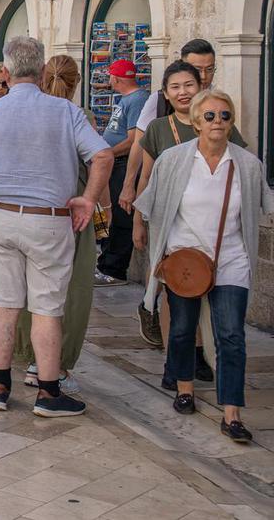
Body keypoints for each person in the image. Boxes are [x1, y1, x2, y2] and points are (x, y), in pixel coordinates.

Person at [0, 36, 112, 418]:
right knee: (46, 308)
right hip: (48, 219)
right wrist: (87, 198)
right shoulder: (65, 112)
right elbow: (102, 155)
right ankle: (49, 392)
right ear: (40, 71)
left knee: (3, 305)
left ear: (6, 71)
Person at [134, 90, 271, 443]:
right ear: (196, 122)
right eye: (209, 116)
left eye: (225, 116)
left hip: (231, 260)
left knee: (232, 336)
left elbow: (265, 203)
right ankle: (184, 389)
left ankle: (232, 413)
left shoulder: (247, 164)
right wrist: (158, 252)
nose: (218, 122)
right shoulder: (174, 160)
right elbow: (150, 205)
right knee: (181, 330)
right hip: (185, 262)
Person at [133, 60, 246, 372]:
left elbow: (241, 168)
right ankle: (177, 359)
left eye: (189, 85)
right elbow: (147, 176)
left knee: (211, 297)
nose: (183, 92)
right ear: (166, 94)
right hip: (171, 223)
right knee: (176, 291)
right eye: (175, 87)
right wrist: (137, 222)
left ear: (201, 87)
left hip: (215, 229)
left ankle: (203, 355)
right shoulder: (158, 128)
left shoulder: (222, 123)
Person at [12, 56, 102, 393]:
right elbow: (100, 160)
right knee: (71, 288)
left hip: (29, 208)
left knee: (28, 284)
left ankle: (30, 357)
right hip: (72, 209)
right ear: (77, 82)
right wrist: (98, 203)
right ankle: (55, 364)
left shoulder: (24, 116)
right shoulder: (78, 116)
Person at [94, 59, 151, 286]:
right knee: (111, 214)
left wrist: (108, 152)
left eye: (110, 76)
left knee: (121, 215)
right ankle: (106, 263)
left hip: (123, 163)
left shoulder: (137, 100)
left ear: (116, 77)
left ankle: (114, 269)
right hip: (113, 163)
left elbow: (133, 140)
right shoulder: (127, 99)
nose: (108, 80)